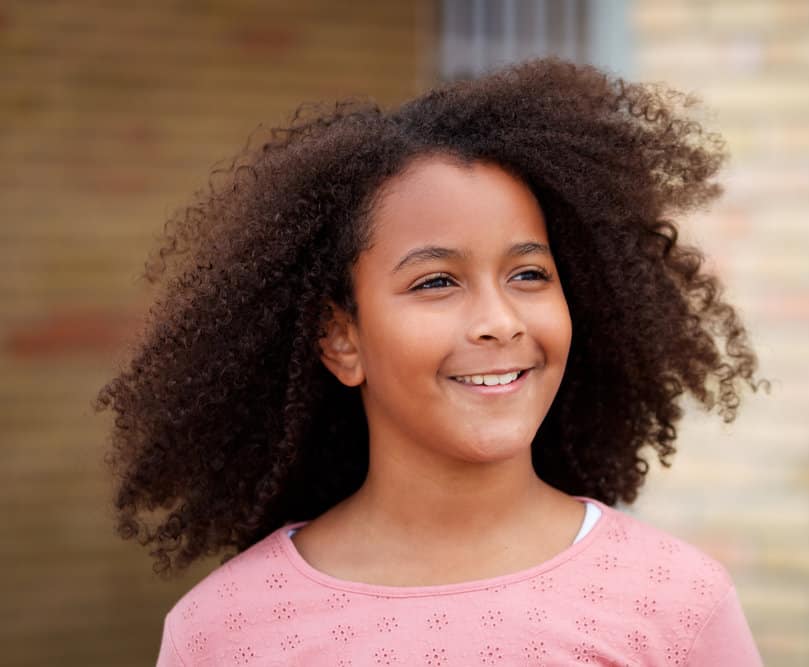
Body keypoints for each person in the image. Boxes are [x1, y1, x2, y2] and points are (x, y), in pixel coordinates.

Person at [95, 56, 766, 665]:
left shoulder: (675, 603)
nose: (500, 321)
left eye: (529, 274)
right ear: (341, 338)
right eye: (436, 281)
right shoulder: (225, 631)